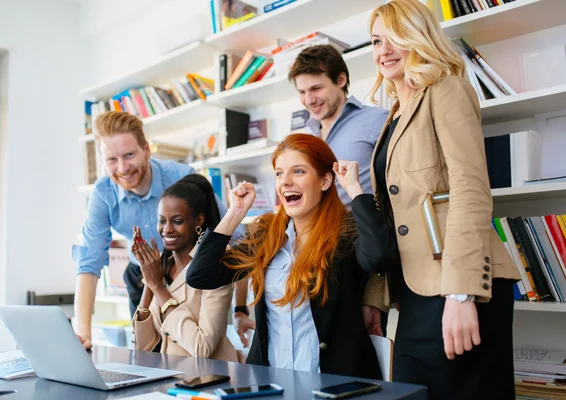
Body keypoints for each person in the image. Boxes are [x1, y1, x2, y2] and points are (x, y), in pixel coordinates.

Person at [339, 0, 520, 398]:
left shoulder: (447, 89)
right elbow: (395, 214)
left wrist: (460, 293)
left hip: (457, 284)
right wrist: (376, 297)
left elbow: (469, 190)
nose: (383, 51)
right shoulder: (394, 115)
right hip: (414, 292)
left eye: (395, 38)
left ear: (418, 38)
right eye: (375, 41)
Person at [186, 133, 396, 379]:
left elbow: (379, 257)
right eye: (279, 173)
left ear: (326, 180)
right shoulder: (267, 236)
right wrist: (235, 213)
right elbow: (201, 275)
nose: (285, 181)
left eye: (298, 171)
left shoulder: (346, 233)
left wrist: (354, 189)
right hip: (272, 382)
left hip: (335, 384)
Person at [232, 45, 391, 347]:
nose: (309, 100)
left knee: (352, 352)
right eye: (302, 92)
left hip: (359, 253)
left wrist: (377, 290)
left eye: (316, 88)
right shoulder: (306, 133)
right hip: (310, 253)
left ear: (341, 79)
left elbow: (393, 196)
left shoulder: (377, 121)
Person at [72, 111, 240, 348]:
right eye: (111, 159)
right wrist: (83, 337)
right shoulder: (103, 193)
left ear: (147, 150)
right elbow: (89, 264)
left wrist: (241, 308)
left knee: (193, 348)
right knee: (146, 351)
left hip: (188, 274)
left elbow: (230, 230)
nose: (122, 168)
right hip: (142, 275)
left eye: (129, 155)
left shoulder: (181, 177)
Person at [131, 174, 238, 361]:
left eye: (177, 221)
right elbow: (143, 347)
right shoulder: (163, 266)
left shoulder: (215, 263)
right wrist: (150, 280)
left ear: (199, 220)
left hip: (210, 381)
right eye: (162, 220)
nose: (167, 229)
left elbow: (202, 348)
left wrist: (158, 288)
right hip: (172, 379)